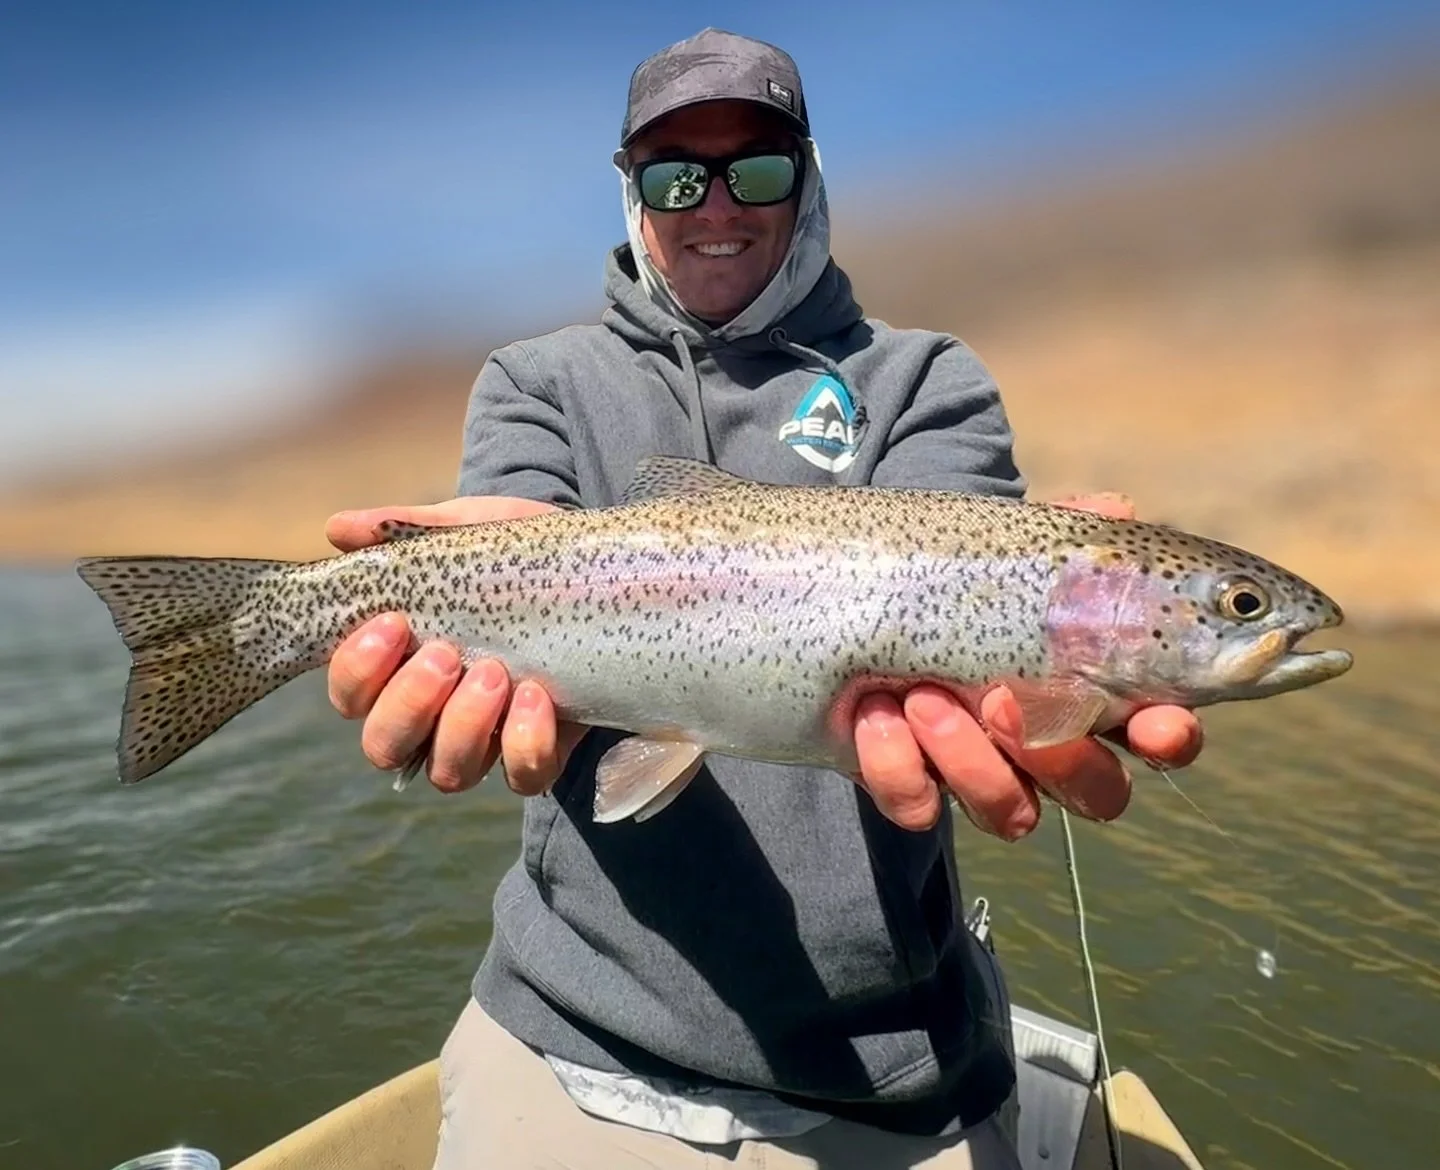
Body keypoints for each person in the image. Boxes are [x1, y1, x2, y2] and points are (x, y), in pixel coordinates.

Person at [323, 28, 1203, 1170]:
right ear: (634, 194)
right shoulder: (538, 381)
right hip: (563, 1037)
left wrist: (1053, 601)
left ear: (810, 179)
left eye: (759, 167)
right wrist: (447, 589)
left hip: (895, 1076)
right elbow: (518, 527)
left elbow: (952, 576)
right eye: (676, 175)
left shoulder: (923, 378)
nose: (716, 204)